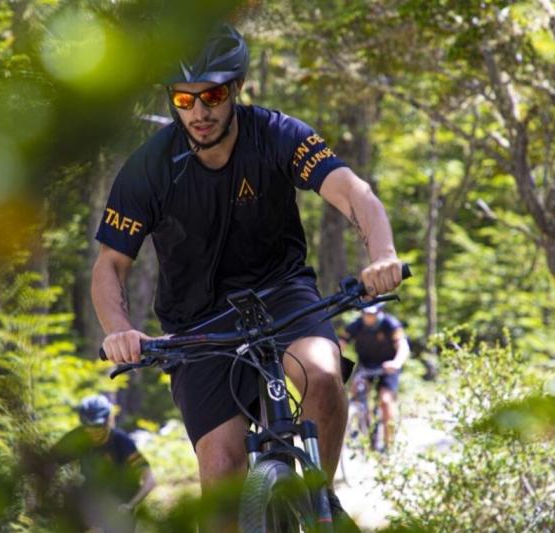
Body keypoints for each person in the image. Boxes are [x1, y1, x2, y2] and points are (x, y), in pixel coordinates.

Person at [91, 23, 404, 528]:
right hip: (197, 323)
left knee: (323, 376)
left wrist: (382, 253)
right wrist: (117, 330)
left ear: (236, 88)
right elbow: (110, 265)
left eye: (211, 95)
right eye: (184, 99)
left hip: (283, 293)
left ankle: (321, 502)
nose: (199, 112)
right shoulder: (149, 168)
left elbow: (353, 193)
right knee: (220, 477)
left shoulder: (278, 135)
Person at [51, 394, 156, 532]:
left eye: (98, 425)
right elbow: (48, 462)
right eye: (88, 426)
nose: (94, 431)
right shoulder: (77, 438)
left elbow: (150, 480)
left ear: (108, 420)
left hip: (120, 506)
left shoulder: (121, 442)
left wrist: (130, 505)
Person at [340, 303, 410, 452]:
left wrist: (396, 362)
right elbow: (341, 344)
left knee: (385, 401)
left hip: (387, 367)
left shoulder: (390, 324)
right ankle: (366, 429)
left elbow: (402, 346)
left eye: (372, 313)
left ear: (379, 311)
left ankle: (388, 445)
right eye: (366, 313)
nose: (368, 317)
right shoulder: (356, 325)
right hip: (365, 366)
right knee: (356, 393)